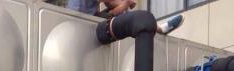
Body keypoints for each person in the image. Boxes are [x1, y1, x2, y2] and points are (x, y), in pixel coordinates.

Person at [47, 0, 184, 35]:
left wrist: (126, 3)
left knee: (117, 13)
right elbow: (114, 6)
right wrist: (126, 3)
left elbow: (110, 4)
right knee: (130, 18)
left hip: (87, 18)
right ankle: (161, 29)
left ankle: (158, 28)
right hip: (84, 22)